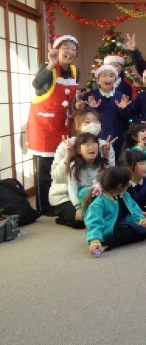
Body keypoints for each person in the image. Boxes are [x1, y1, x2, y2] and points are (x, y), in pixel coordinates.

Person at [27, 34, 80, 215]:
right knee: (44, 168)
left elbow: (70, 97)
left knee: (61, 163)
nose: (70, 52)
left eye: (73, 49)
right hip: (43, 126)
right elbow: (37, 84)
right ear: (56, 50)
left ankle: (58, 200)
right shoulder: (48, 67)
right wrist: (51, 64)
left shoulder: (75, 71)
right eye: (66, 47)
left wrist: (77, 106)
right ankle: (44, 207)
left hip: (62, 125)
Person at [85, 166, 146, 257]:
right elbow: (94, 222)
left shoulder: (124, 195)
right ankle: (103, 243)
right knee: (135, 232)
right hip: (107, 230)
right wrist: (94, 240)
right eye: (127, 183)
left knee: (143, 231)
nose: (129, 185)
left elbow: (133, 209)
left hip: (121, 224)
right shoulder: (99, 203)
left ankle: (108, 243)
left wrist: (140, 220)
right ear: (120, 186)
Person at [49, 133, 109, 229]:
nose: (91, 147)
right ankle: (62, 219)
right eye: (86, 145)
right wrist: (78, 208)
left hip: (94, 198)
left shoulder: (101, 164)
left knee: (107, 214)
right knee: (79, 220)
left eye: (94, 144)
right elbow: (71, 188)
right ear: (78, 150)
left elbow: (111, 179)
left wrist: (107, 156)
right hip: (73, 198)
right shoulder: (74, 167)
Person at [77, 61, 130, 156]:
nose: (108, 78)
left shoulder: (121, 96)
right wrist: (92, 108)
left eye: (111, 76)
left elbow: (127, 119)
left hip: (117, 137)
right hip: (95, 139)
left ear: (115, 79)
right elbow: (83, 118)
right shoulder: (90, 96)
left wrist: (122, 109)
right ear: (98, 80)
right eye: (104, 76)